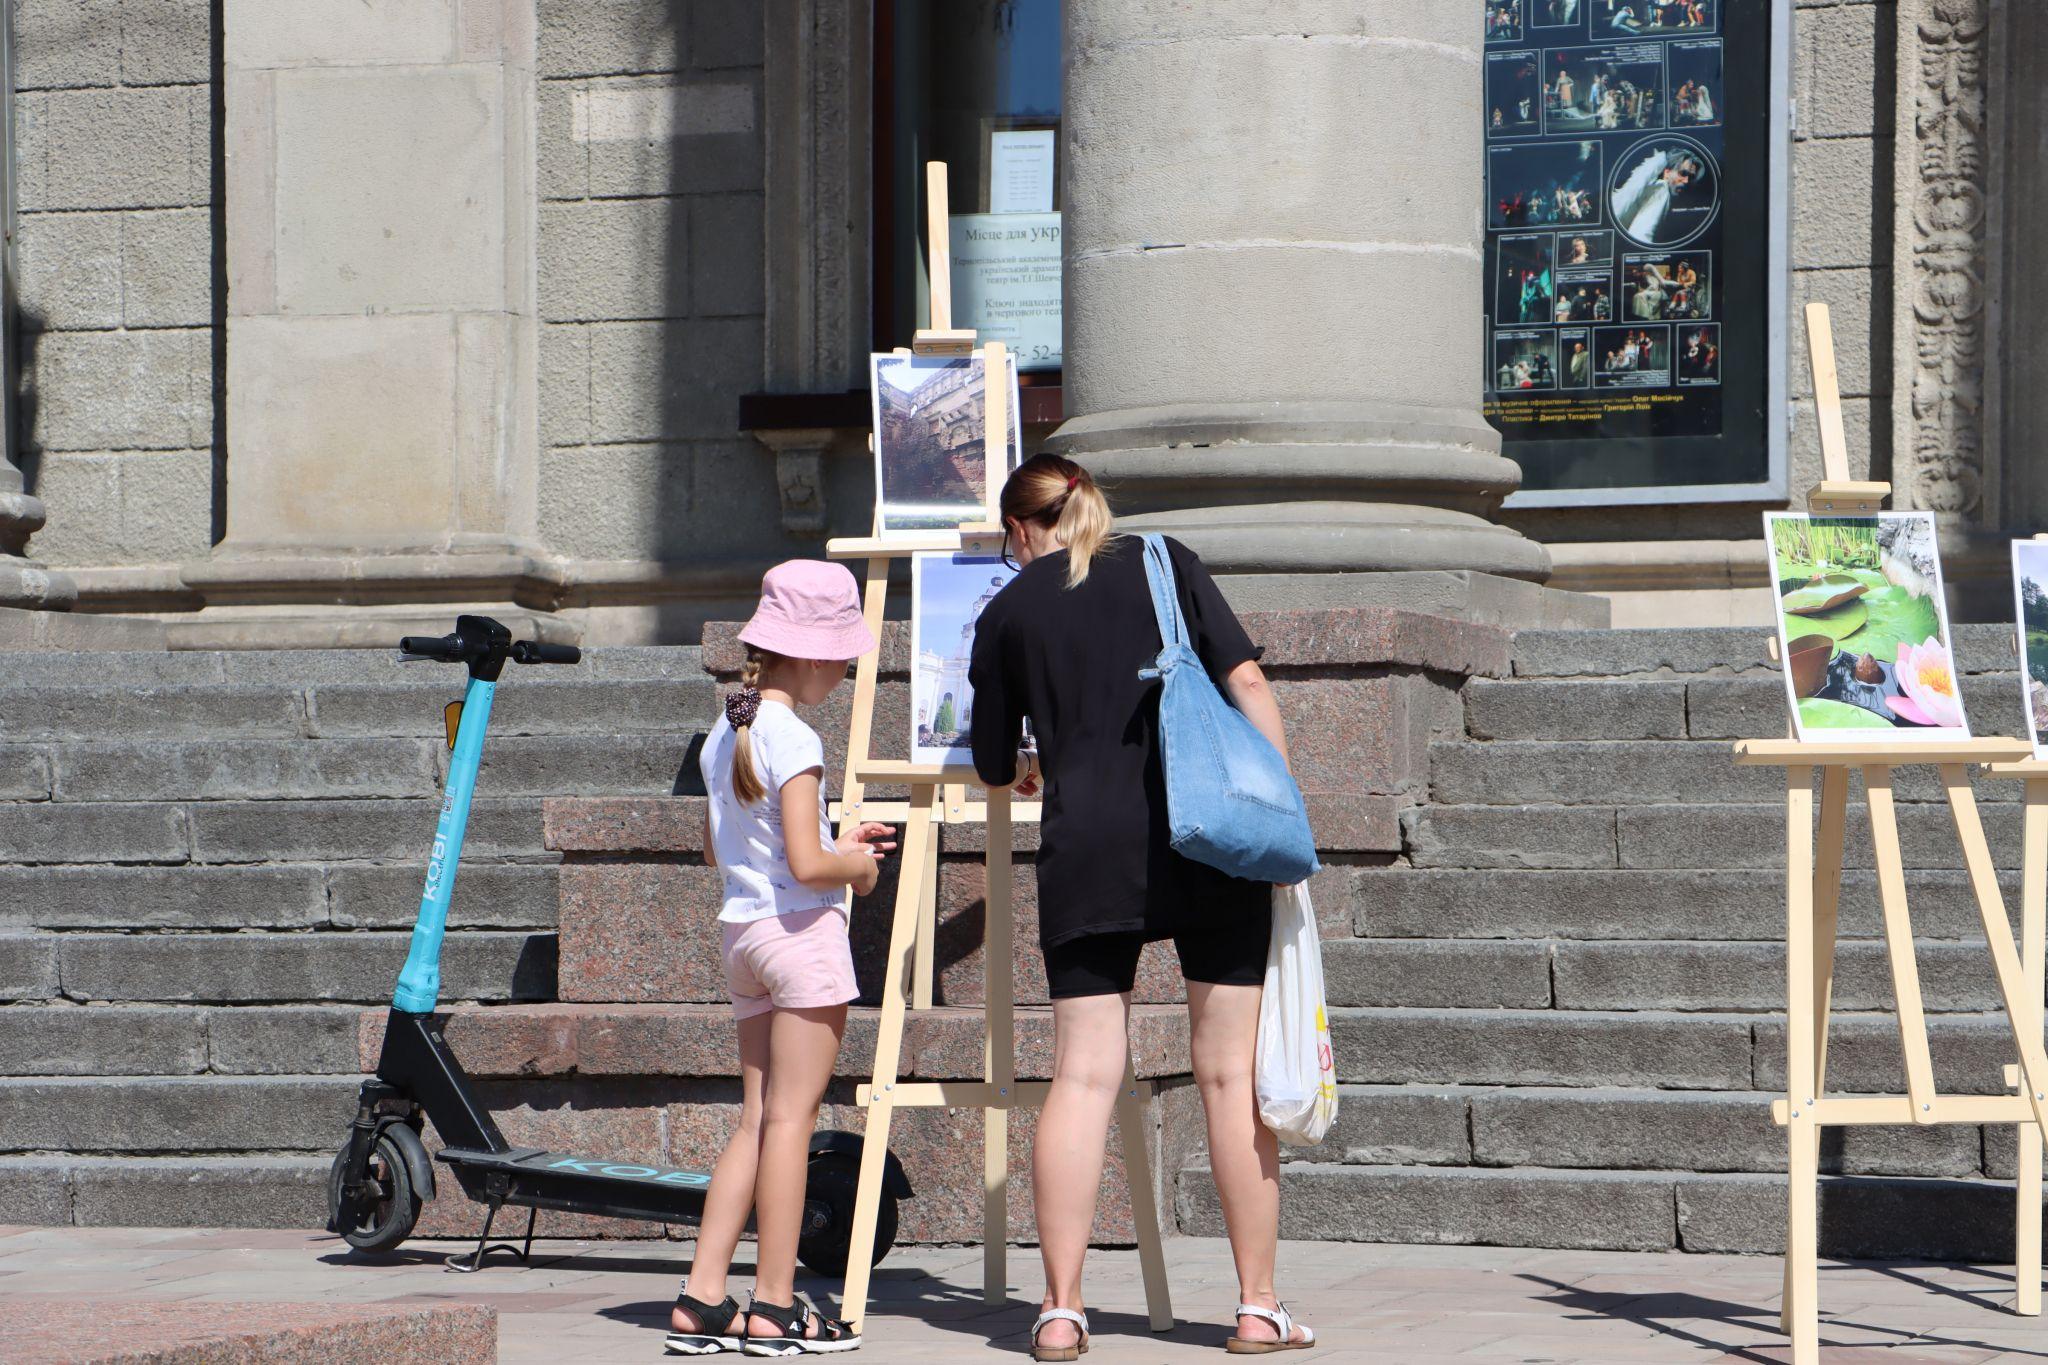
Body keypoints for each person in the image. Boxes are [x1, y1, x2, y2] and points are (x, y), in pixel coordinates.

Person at [969, 454, 1315, 1361]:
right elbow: (1247, 685)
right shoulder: (1167, 561)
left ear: (1019, 530)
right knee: (1227, 1076)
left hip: (1086, 851)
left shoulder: (1007, 610)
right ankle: (1256, 1306)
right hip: (1211, 837)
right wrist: (1279, 810)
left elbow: (997, 765)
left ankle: (1060, 1308)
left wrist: (1044, 760)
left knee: (1082, 1075)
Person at [665, 559, 897, 1357]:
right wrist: (858, 865)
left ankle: (701, 1296)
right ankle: (774, 1303)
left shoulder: (728, 727)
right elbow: (807, 864)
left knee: (756, 1120)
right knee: (795, 1122)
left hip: (743, 934)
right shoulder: (795, 735)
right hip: (800, 937)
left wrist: (832, 844)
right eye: (842, 654)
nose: (847, 667)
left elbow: (717, 851)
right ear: (810, 653)